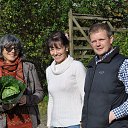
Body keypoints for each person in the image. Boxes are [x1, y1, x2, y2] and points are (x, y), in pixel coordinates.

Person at [81, 23, 128, 128]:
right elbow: (88, 97)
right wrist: (83, 121)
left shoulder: (123, 64)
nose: (98, 44)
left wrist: (113, 115)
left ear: (111, 39)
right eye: (94, 41)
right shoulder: (92, 65)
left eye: (101, 39)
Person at [0, 34, 44, 128]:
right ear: (1, 49)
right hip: (4, 123)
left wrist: (27, 99)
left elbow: (40, 93)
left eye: (16, 48)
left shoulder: (29, 67)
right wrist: (4, 106)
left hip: (28, 122)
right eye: (8, 48)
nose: (13, 51)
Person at [46, 31, 86, 128]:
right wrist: (49, 123)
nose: (55, 53)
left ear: (66, 48)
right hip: (55, 124)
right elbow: (51, 99)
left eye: (58, 48)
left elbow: (85, 95)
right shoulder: (49, 71)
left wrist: (83, 120)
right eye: (52, 49)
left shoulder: (77, 66)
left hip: (75, 123)